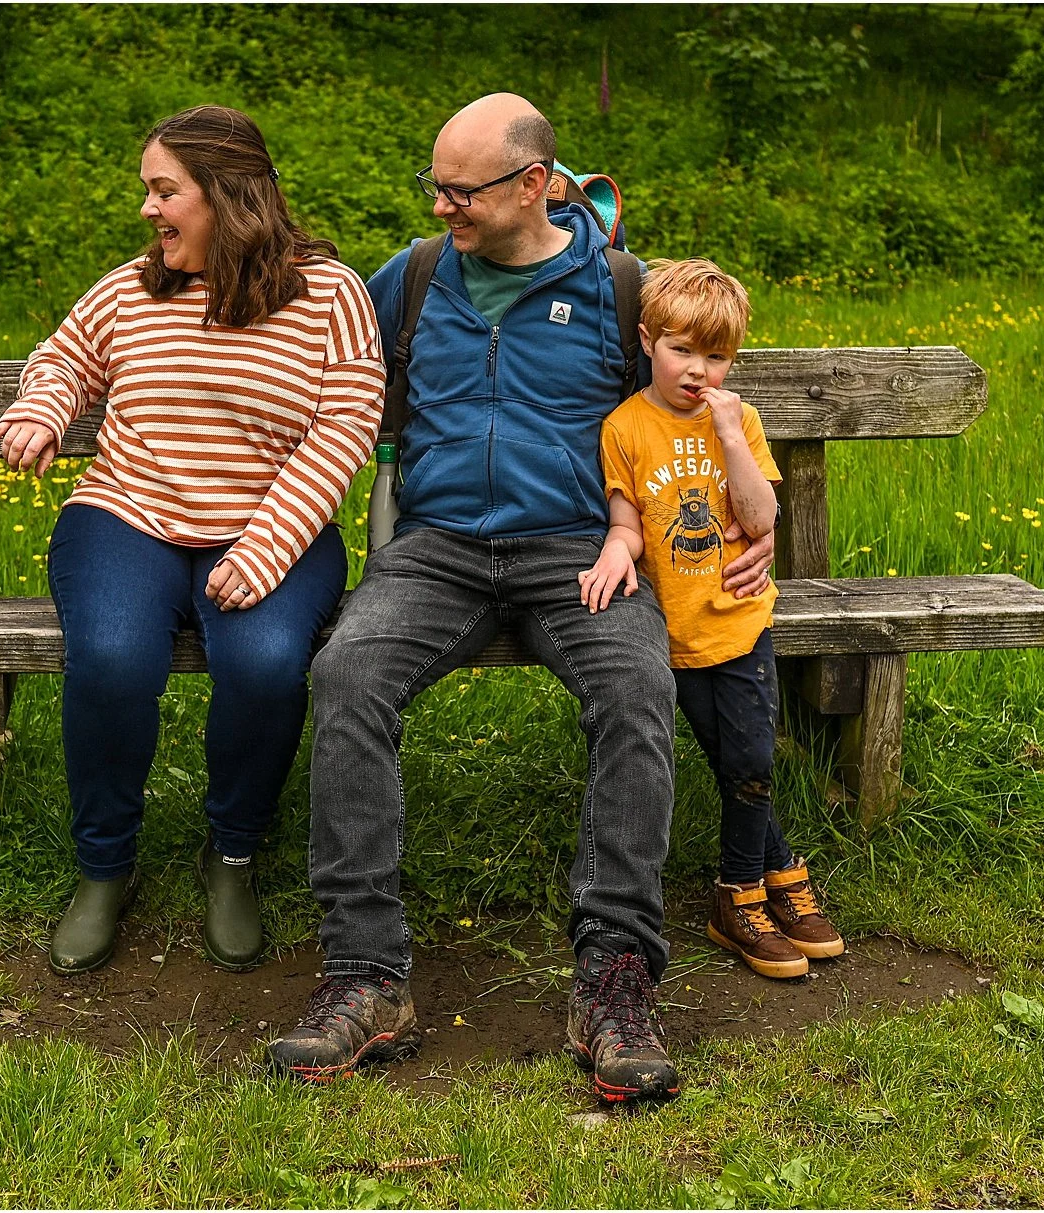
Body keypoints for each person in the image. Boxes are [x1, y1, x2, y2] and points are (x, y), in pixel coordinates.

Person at [266, 94, 775, 1103]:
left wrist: (754, 536)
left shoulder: (621, 291)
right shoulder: (409, 278)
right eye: (436, 187)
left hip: (578, 555)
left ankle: (613, 981)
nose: (443, 205)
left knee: (637, 685)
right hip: (436, 552)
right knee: (347, 673)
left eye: (463, 190)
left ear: (534, 185)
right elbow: (297, 345)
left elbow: (699, 414)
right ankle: (366, 975)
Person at [0, 106, 384, 976]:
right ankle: (105, 867)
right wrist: (44, 408)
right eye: (148, 191)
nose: (148, 210)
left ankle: (231, 854)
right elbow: (63, 358)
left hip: (271, 526)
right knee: (114, 655)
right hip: (128, 514)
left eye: (164, 190)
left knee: (268, 662)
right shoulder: (134, 286)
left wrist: (266, 545)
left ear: (228, 196)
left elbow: (346, 426)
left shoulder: (331, 294)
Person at [583, 258, 844, 980]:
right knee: (737, 765)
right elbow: (628, 518)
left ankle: (739, 892)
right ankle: (782, 868)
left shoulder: (743, 421)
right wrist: (613, 549)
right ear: (647, 341)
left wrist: (730, 436)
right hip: (676, 631)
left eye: (717, 357)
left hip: (741, 618)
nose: (698, 370)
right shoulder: (625, 428)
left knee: (753, 760)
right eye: (682, 350)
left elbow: (763, 520)